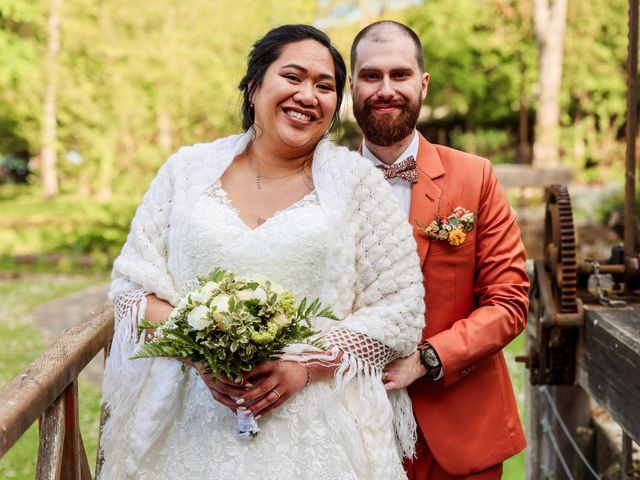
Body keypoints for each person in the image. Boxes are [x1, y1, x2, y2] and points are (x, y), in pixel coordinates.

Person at [98, 24, 425, 480]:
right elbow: (133, 287)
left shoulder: (358, 185)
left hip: (317, 435)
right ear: (253, 87)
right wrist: (200, 351)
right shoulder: (185, 172)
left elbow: (400, 309)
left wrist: (305, 365)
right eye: (293, 77)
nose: (308, 95)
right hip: (189, 427)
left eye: (325, 86)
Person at [349, 20, 529, 480]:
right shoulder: (322, 184)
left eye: (400, 74)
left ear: (422, 84)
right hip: (351, 431)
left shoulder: (475, 176)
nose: (385, 89)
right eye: (371, 76)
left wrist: (427, 359)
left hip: (461, 430)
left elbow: (508, 304)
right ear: (351, 85)